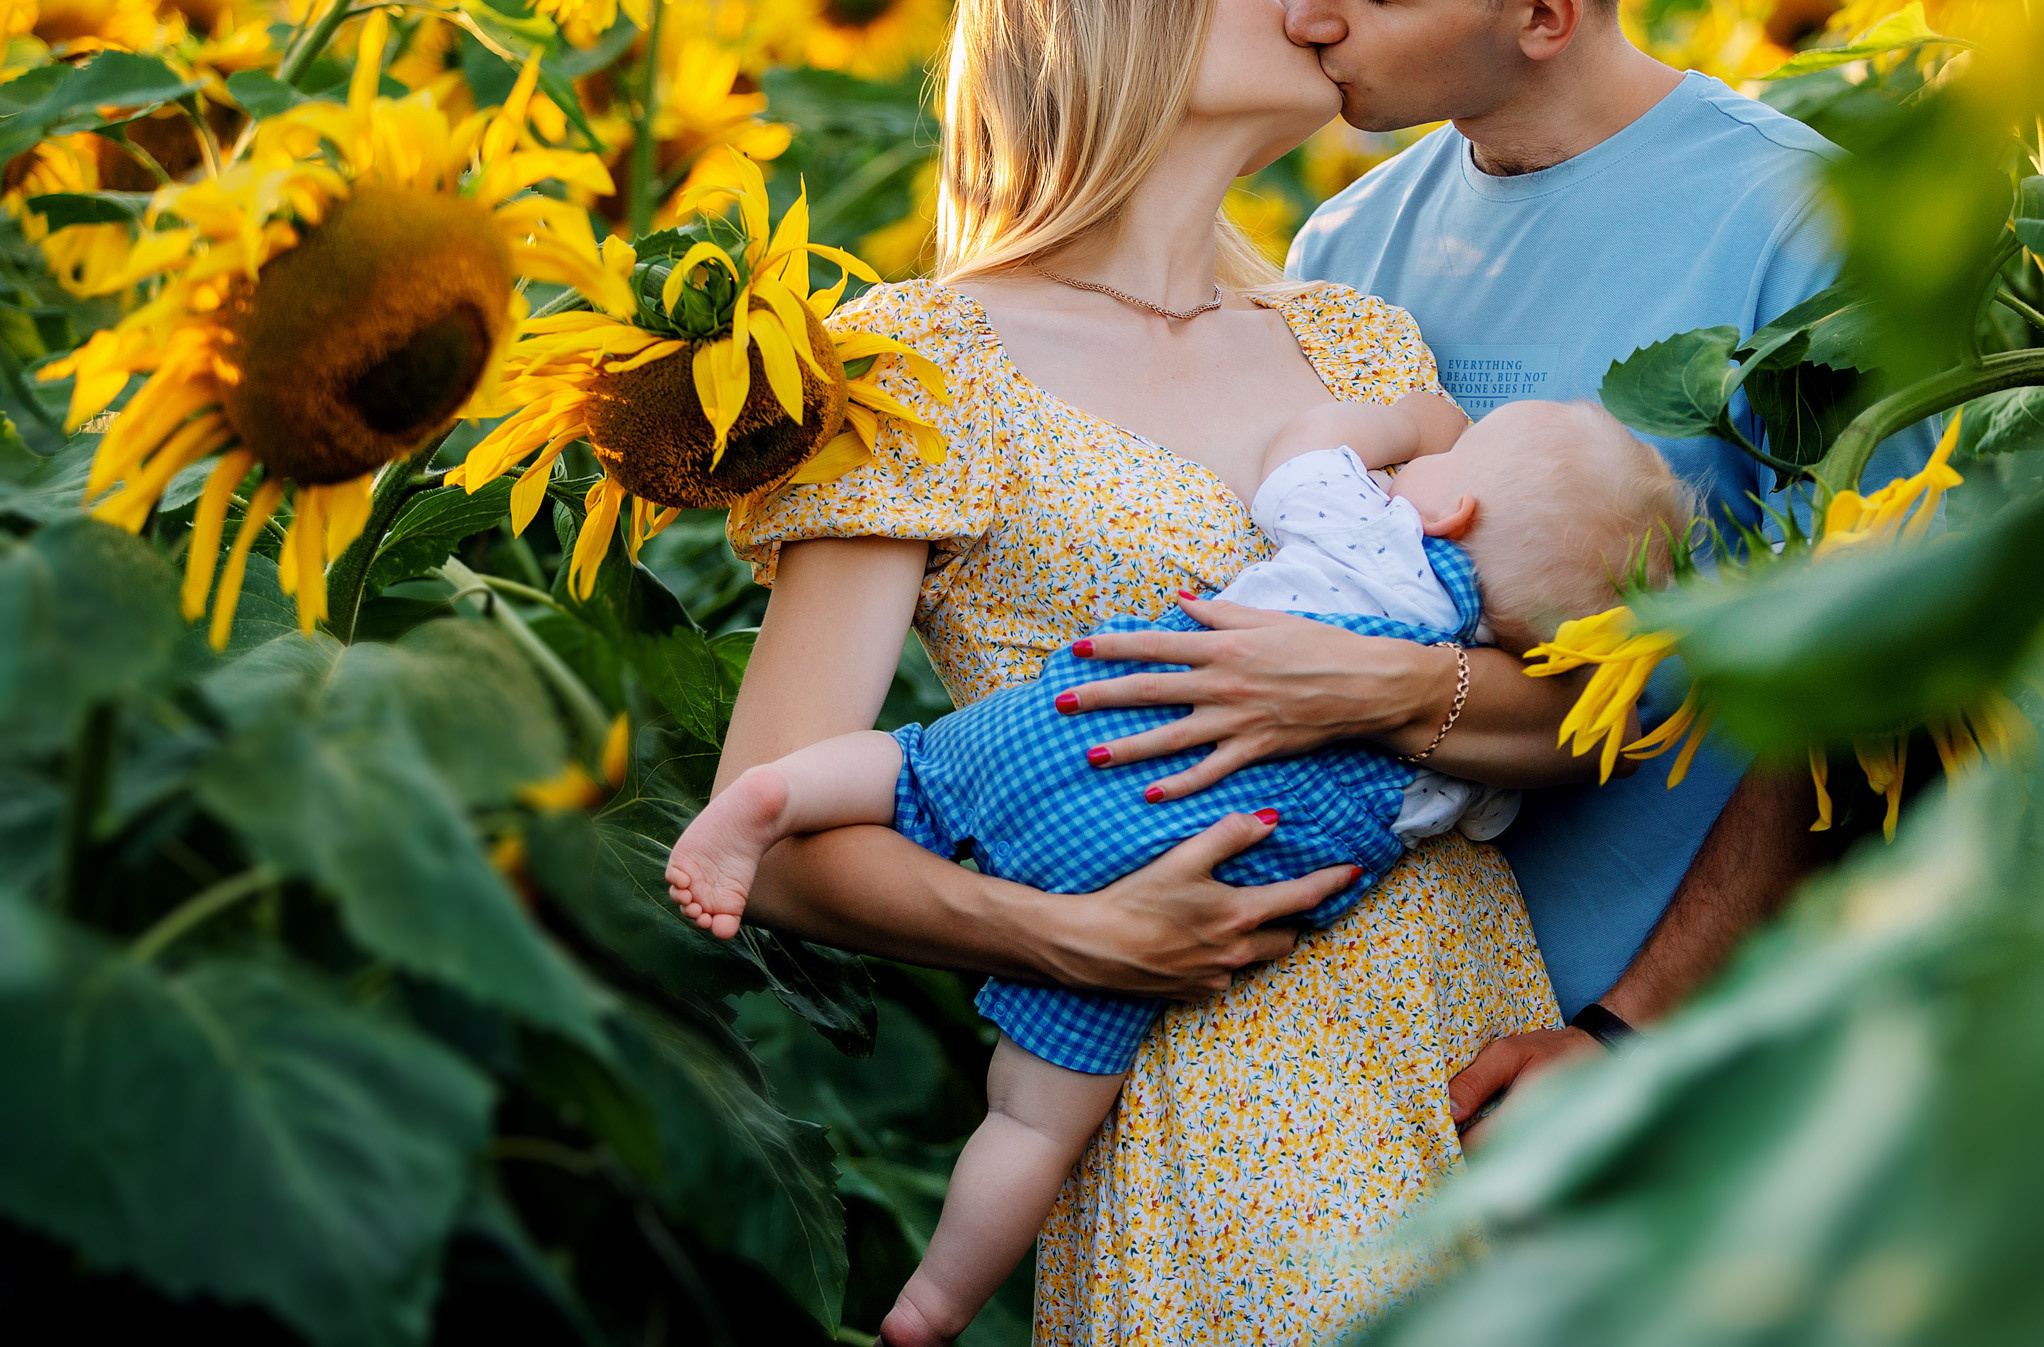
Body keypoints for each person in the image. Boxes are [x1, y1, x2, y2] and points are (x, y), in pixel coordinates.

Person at [724, 0, 1583, 1345]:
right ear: (1115, 17)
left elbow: (1564, 712)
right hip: (1198, 1079)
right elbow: (775, 832)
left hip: (1471, 1036)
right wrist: (1073, 941)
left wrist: (1378, 696)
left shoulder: (1359, 339)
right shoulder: (920, 357)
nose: (1310, 6)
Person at [674, 394, 1685, 1342]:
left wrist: (1411, 420)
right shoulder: (1450, 774)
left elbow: (1300, 454)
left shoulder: (1357, 523)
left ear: (1448, 499)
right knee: (1031, 1121)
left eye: (1439, 459)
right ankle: (936, 1303)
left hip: (1079, 732)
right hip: (1162, 900)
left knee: (920, 766)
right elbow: (1501, 790)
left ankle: (780, 797)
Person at [1265, 0, 1944, 1121]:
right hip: (1376, 1050)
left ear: (1545, 15)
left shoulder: (1804, 230)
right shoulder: (1346, 237)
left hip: (1692, 1065)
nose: (1308, 14)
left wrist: (1627, 1031)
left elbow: (1857, 692)